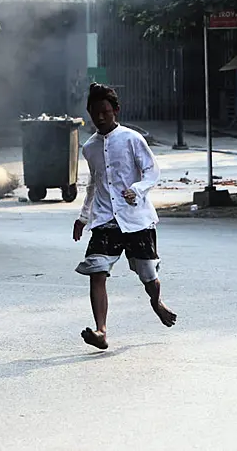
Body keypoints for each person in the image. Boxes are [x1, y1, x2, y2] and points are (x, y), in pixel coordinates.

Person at [73, 83, 177, 350]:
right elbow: (94, 184)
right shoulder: (89, 147)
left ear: (116, 111)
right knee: (96, 271)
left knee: (148, 276)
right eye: (95, 112)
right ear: (89, 112)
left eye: (105, 111)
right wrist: (84, 218)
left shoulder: (132, 139)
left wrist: (137, 190)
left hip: (136, 219)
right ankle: (101, 331)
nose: (100, 117)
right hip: (106, 220)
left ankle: (156, 302)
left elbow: (151, 172)